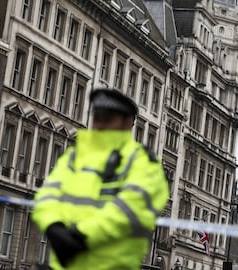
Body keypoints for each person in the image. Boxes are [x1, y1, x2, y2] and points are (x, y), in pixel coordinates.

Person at [32, 88, 170, 270]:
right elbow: (47, 195)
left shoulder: (144, 163)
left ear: (127, 124)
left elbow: (128, 212)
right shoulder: (76, 156)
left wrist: (79, 237)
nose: (100, 125)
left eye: (108, 120)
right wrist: (53, 226)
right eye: (97, 118)